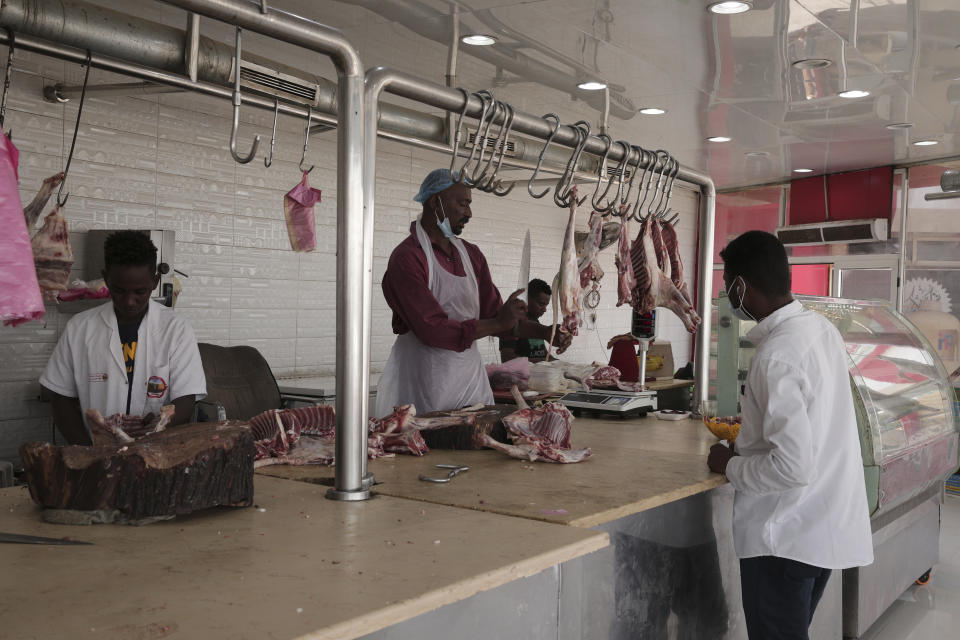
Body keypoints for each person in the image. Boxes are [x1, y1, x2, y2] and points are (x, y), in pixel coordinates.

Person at [706, 230, 873, 640]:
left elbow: (793, 467)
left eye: (728, 283)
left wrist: (731, 465)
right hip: (819, 527)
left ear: (741, 285)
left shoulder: (777, 355)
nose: (728, 292)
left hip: (783, 536)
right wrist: (747, 445)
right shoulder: (820, 330)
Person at [377, 168, 527, 416]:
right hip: (423, 389)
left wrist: (545, 330)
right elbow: (432, 330)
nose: (469, 212)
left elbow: (496, 317)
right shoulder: (408, 258)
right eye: (462, 203)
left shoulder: (471, 255)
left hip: (471, 386)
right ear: (436, 202)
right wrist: (499, 321)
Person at [40, 231, 207, 444]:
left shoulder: (176, 329)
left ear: (155, 282)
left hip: (156, 452)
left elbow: (186, 398)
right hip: (96, 453)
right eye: (119, 290)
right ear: (106, 279)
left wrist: (161, 424)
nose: (129, 301)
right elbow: (61, 398)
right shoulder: (80, 327)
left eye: (140, 292)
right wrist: (90, 451)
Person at [498, 278, 571, 363]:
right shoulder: (512, 322)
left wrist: (562, 365)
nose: (544, 310)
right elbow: (507, 359)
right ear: (527, 298)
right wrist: (542, 362)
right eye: (541, 304)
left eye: (546, 305)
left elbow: (544, 355)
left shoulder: (535, 321)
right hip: (520, 376)